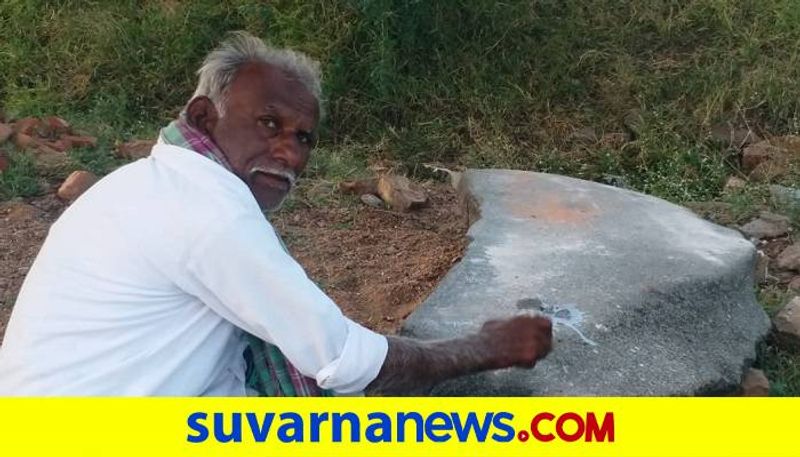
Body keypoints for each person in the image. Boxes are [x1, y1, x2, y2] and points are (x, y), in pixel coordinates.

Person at [0, 32, 552, 396]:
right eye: (268, 124)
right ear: (204, 115)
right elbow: (348, 364)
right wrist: (490, 347)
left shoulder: (155, 181)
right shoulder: (207, 213)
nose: (289, 153)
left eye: (303, 137)